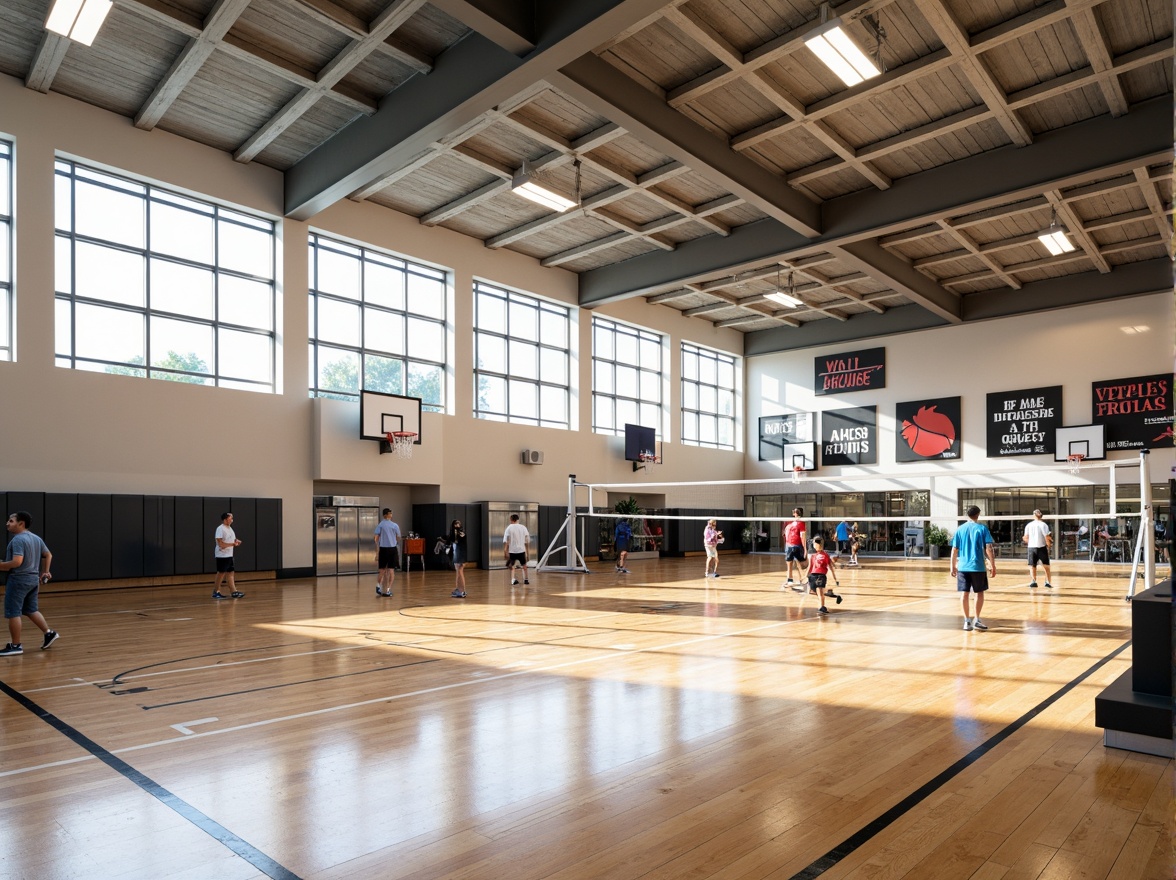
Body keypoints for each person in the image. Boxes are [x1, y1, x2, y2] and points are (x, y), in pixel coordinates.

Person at [0, 511, 58, 656]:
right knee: (30, 609)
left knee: (13, 612)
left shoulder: (18, 539)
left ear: (21, 524)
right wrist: (45, 571)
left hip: (19, 579)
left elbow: (16, 562)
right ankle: (49, 633)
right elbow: (48, 554)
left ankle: (16, 645)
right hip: (33, 580)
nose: (7, 523)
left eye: (11, 521)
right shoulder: (36, 538)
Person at [950, 505, 996, 632]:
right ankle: (977, 619)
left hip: (963, 567)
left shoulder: (960, 529)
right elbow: (989, 548)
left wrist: (952, 566)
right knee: (979, 592)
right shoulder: (982, 528)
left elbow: (954, 549)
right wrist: (993, 564)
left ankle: (966, 621)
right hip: (978, 567)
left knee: (964, 593)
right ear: (978, 514)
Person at [804, 536, 842, 614]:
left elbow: (831, 567)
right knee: (813, 591)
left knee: (820, 591)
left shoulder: (825, 555)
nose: (815, 545)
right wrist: (805, 576)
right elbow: (809, 567)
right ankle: (833, 594)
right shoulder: (813, 556)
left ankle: (822, 607)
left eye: (816, 543)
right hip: (812, 576)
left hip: (820, 576)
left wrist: (835, 578)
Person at [212, 512, 244, 599]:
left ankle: (234, 591)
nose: (232, 520)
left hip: (229, 554)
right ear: (225, 519)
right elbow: (221, 544)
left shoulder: (230, 528)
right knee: (221, 573)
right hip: (222, 555)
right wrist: (233, 544)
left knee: (230, 572)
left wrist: (236, 541)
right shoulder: (220, 529)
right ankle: (216, 591)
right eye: (230, 518)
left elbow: (231, 539)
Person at [1022, 509, 1053, 589]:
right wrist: (1049, 545)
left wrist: (1031, 541)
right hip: (1040, 547)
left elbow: (1025, 538)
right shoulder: (1043, 525)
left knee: (1033, 565)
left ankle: (1035, 581)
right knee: (1044, 566)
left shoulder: (1030, 525)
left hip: (1034, 547)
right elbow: (1046, 536)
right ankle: (1045, 582)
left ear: (1034, 515)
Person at [373, 508, 400, 597]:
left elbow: (376, 538)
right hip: (392, 549)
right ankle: (388, 590)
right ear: (386, 515)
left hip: (383, 549)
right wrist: (394, 540)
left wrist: (377, 549)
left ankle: (378, 585)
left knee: (382, 570)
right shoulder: (395, 525)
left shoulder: (380, 525)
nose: (391, 515)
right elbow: (398, 537)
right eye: (390, 514)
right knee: (391, 570)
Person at [782, 507, 807, 590]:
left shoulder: (801, 523)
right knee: (790, 563)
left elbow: (802, 536)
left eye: (796, 512)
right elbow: (785, 533)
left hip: (796, 545)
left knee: (801, 564)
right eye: (794, 512)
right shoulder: (790, 522)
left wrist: (805, 548)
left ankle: (803, 578)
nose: (794, 514)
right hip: (789, 544)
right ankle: (791, 580)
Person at [503, 513, 530, 586]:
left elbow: (506, 540)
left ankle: (513, 580)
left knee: (512, 566)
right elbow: (527, 540)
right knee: (524, 565)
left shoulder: (509, 528)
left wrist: (505, 551)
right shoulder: (523, 527)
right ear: (517, 520)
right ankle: (526, 579)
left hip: (512, 550)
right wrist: (527, 552)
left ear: (511, 520)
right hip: (521, 550)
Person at [448, 518, 467, 598]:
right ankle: (459, 589)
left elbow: (454, 540)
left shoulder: (458, 533)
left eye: (458, 524)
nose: (457, 526)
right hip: (458, 553)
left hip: (459, 554)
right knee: (458, 572)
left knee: (459, 572)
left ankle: (461, 590)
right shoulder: (461, 533)